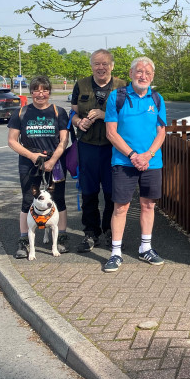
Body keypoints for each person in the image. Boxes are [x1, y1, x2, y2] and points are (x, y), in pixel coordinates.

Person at [103, 56, 167, 273]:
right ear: (131, 74)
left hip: (152, 162)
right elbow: (111, 133)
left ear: (153, 77)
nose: (143, 76)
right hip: (123, 161)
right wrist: (132, 155)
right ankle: (116, 252)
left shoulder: (157, 99)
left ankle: (145, 247)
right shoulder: (116, 97)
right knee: (121, 207)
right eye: (139, 71)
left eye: (148, 73)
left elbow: (161, 132)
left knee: (149, 205)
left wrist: (147, 155)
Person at [70, 49, 127, 253]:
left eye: (105, 64)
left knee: (113, 192)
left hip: (114, 148)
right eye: (96, 63)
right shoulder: (81, 84)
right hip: (88, 146)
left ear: (112, 65)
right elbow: (73, 112)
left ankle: (111, 231)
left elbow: (128, 117)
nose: (101, 67)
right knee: (89, 192)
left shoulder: (122, 87)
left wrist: (105, 115)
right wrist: (79, 122)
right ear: (91, 65)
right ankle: (90, 232)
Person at [8, 75, 70, 258]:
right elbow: (12, 141)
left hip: (55, 160)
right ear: (31, 92)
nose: (40, 94)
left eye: (44, 90)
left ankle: (62, 237)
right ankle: (24, 240)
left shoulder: (59, 112)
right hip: (29, 161)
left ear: (49, 92)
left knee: (58, 198)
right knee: (28, 200)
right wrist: (32, 156)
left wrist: (52, 161)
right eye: (36, 90)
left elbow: (64, 140)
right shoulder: (21, 113)